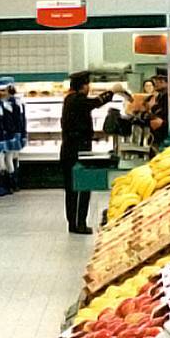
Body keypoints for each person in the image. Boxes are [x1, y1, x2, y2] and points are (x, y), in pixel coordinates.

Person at [60, 72, 106, 235]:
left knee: (71, 189)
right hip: (77, 151)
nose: (89, 88)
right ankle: (79, 224)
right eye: (87, 85)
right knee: (82, 186)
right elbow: (94, 103)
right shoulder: (76, 100)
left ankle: (73, 223)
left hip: (69, 150)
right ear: (83, 86)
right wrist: (112, 92)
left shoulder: (70, 99)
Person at [3, 79, 26, 189]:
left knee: (8, 158)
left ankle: (12, 182)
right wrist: (22, 134)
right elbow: (21, 120)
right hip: (16, 134)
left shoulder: (10, 103)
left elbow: (17, 120)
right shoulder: (18, 102)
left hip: (11, 134)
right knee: (13, 158)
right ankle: (14, 181)